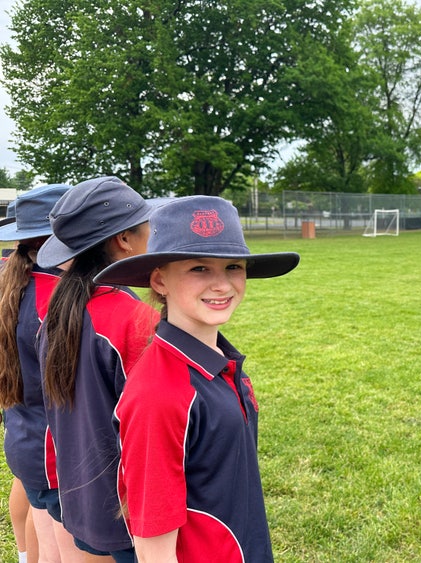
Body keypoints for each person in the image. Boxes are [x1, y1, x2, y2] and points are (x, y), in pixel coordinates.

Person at [94, 196, 300, 562]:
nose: (222, 284)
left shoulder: (218, 359)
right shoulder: (159, 393)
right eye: (199, 269)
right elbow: (153, 543)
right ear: (160, 280)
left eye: (233, 266)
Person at [36, 177, 160, 563]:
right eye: (146, 224)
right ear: (124, 239)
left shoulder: (57, 312)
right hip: (128, 513)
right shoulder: (134, 320)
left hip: (81, 501)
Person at [0, 183, 83, 563]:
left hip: (25, 439)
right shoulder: (60, 298)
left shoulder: (12, 282)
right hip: (57, 454)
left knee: (43, 529)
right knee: (64, 549)